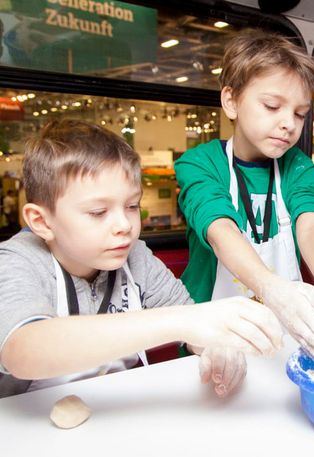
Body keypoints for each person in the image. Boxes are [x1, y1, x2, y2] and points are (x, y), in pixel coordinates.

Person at [0, 120, 284, 399]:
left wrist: (215, 349)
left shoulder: (135, 255)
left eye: (132, 206)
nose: (124, 225)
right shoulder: (18, 261)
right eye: (98, 212)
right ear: (41, 221)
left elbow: (190, 321)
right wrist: (183, 321)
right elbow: (23, 350)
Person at [174, 30, 314, 374]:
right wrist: (272, 288)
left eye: (300, 114)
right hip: (212, 343)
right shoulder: (200, 164)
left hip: (281, 341)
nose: (288, 123)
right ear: (231, 101)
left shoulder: (298, 168)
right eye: (272, 106)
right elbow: (219, 228)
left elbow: (313, 224)